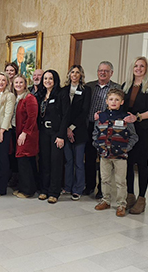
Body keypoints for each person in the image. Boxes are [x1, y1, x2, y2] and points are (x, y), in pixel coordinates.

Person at [122, 56, 148, 214]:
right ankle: (130, 196)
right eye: (136, 66)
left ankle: (141, 199)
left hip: (144, 131)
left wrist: (137, 117)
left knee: (143, 165)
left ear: (146, 69)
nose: (138, 69)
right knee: (128, 164)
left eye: (142, 66)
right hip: (128, 133)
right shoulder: (126, 86)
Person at [93, 89, 138, 217]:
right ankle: (105, 200)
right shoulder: (100, 116)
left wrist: (126, 149)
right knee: (104, 179)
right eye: (111, 99)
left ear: (122, 102)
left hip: (120, 156)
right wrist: (98, 146)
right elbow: (95, 134)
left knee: (120, 181)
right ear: (106, 101)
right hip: (104, 155)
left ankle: (121, 204)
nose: (114, 102)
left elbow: (134, 136)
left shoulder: (126, 118)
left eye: (117, 100)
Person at [84, 61, 121, 198]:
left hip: (107, 129)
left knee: (104, 160)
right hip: (89, 126)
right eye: (100, 70)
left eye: (106, 71)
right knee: (89, 158)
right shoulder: (89, 86)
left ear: (111, 73)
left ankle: (102, 189)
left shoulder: (117, 88)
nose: (102, 73)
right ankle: (89, 186)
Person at [37, 69, 69, 204]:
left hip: (56, 133)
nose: (47, 81)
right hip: (43, 133)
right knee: (44, 161)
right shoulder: (41, 95)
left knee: (56, 162)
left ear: (55, 80)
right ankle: (44, 190)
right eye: (45, 79)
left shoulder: (62, 94)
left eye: (50, 78)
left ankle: (54, 192)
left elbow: (66, 115)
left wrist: (61, 135)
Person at [62, 65, 91, 201]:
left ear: (81, 75)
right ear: (69, 74)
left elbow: (84, 111)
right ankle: (67, 187)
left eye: (77, 72)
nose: (74, 74)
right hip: (64, 129)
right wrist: (66, 128)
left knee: (79, 162)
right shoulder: (63, 90)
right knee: (68, 161)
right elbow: (62, 111)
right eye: (72, 72)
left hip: (79, 130)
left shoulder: (86, 90)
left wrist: (72, 128)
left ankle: (78, 189)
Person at [12, 74, 39, 198]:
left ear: (25, 84)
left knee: (24, 161)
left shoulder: (29, 98)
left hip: (27, 134)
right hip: (17, 132)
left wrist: (24, 133)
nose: (18, 85)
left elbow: (32, 117)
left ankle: (27, 191)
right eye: (16, 82)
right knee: (24, 162)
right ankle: (26, 187)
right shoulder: (16, 97)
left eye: (21, 83)